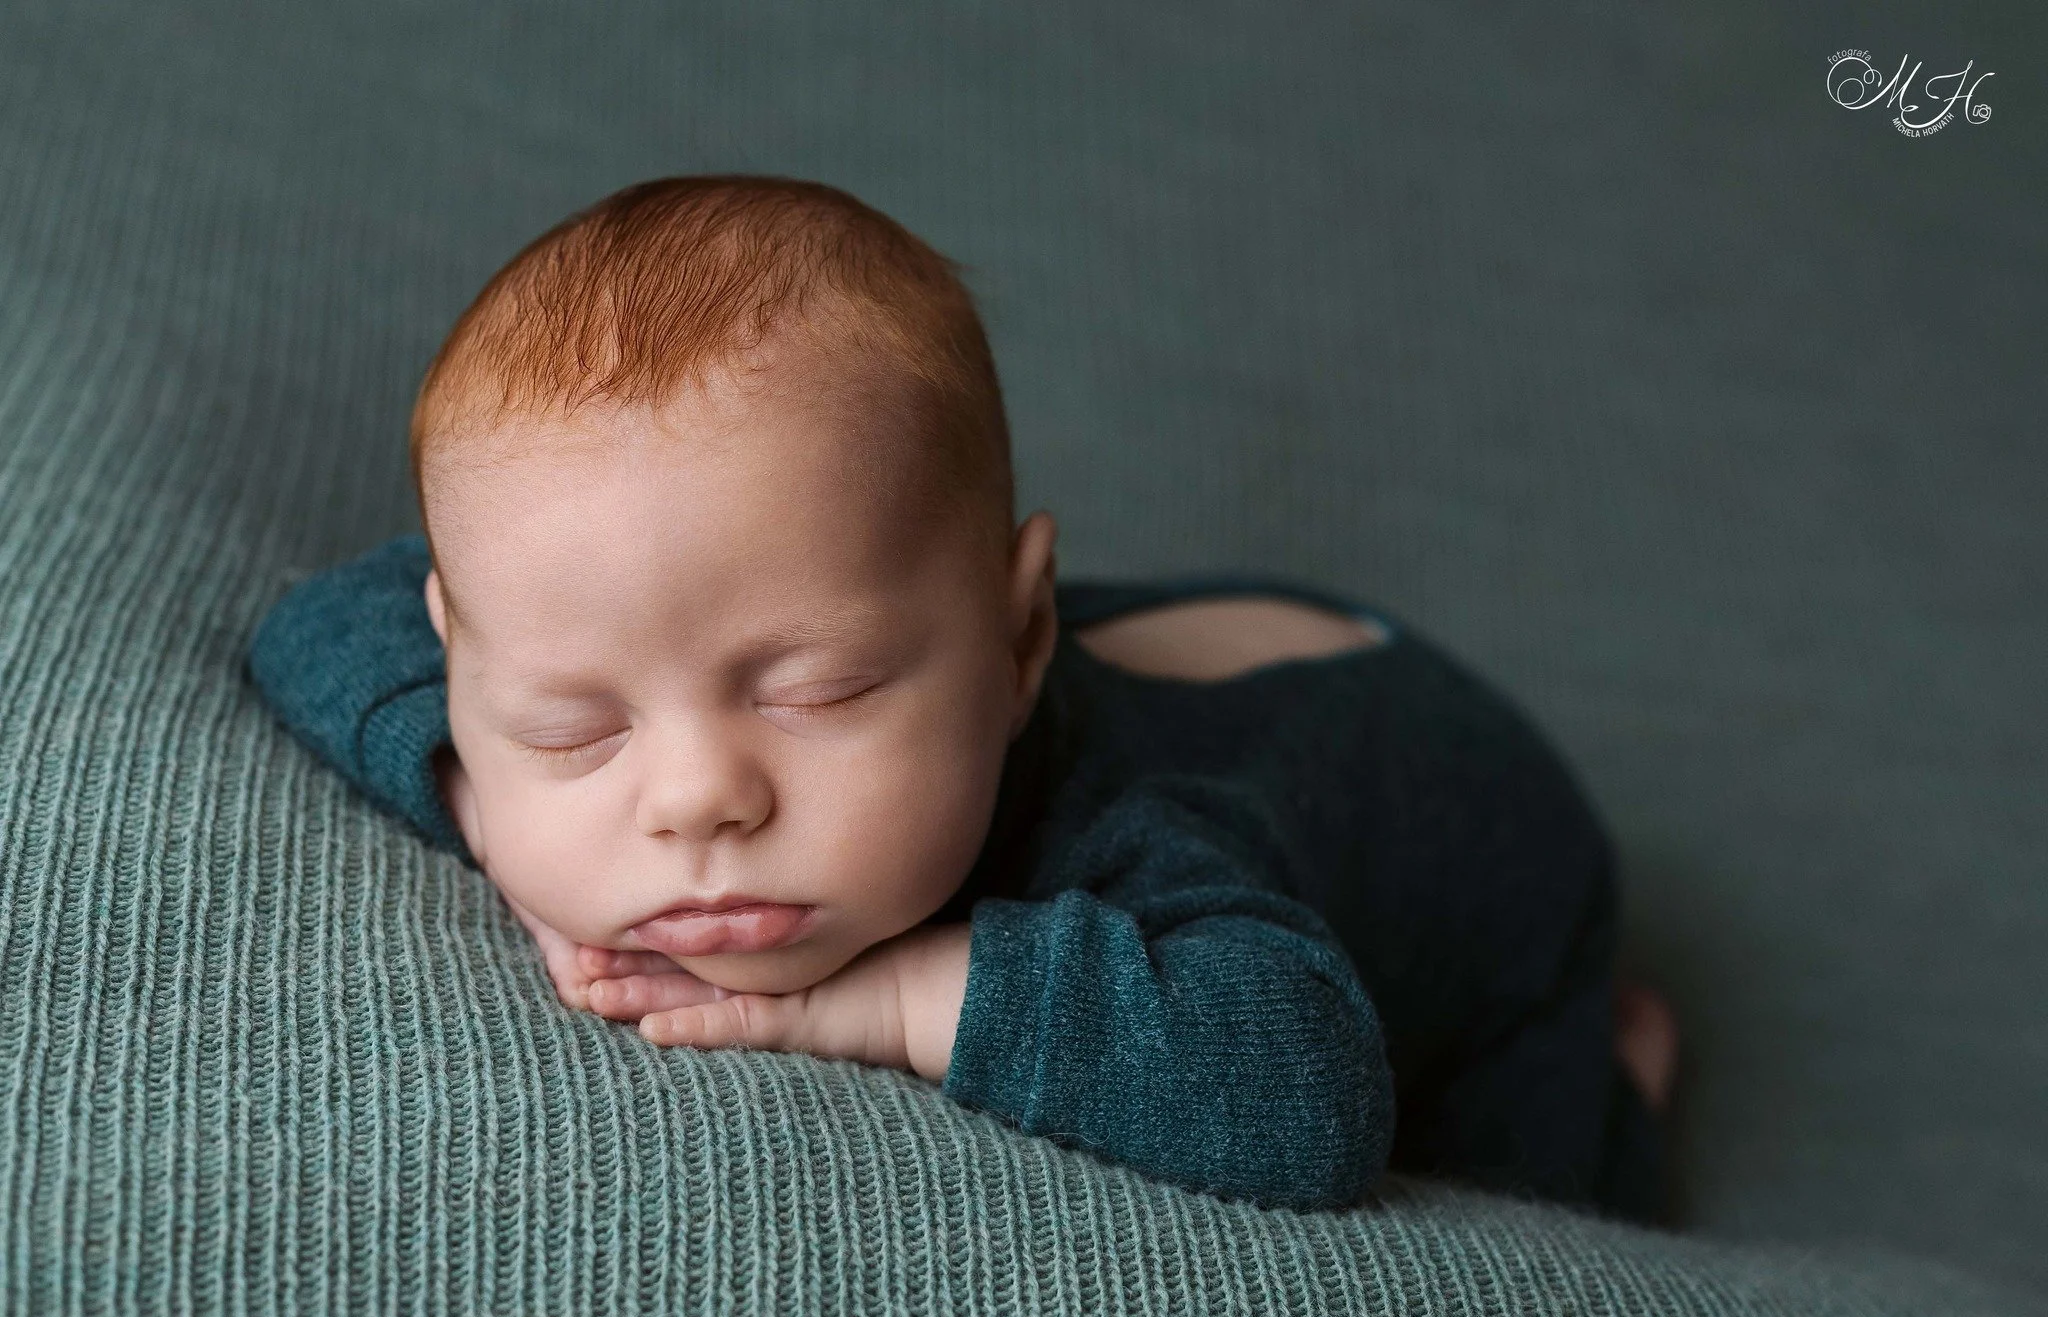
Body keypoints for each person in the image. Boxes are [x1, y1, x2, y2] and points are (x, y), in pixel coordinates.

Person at [247, 174, 1676, 1218]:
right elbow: (322, 624)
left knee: (1521, 1167)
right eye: (577, 724)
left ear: (1021, 638)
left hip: (1479, 850)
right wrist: (484, 789)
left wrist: (901, 997)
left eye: (822, 689)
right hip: (1084, 633)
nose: (695, 800)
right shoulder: (538, 652)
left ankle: (1621, 1060)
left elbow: (1311, 1098)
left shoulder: (1138, 842)